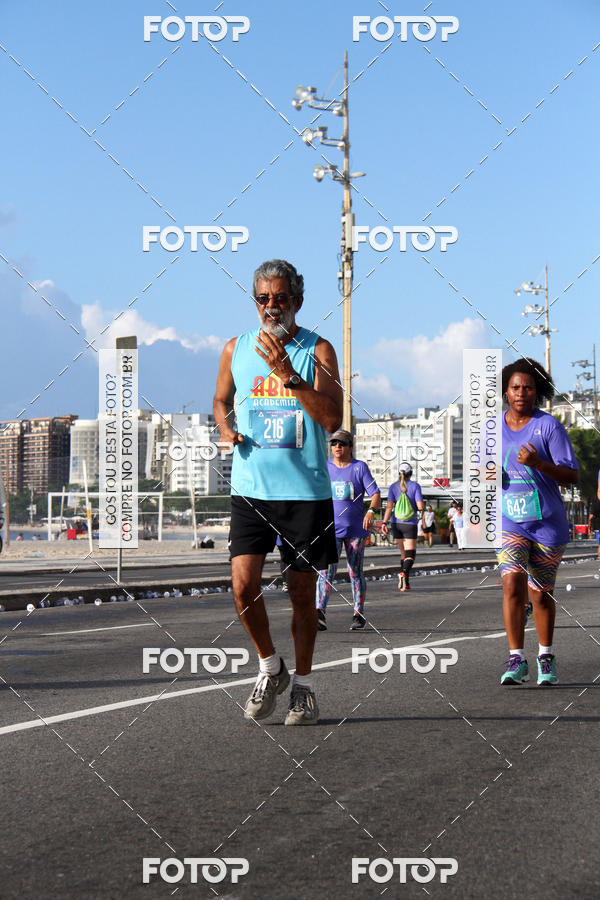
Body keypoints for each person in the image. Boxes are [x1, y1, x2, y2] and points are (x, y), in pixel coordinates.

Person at [213, 259, 342, 725]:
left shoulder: (319, 350)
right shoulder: (235, 349)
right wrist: (225, 428)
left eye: (280, 298)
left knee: (301, 596)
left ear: (297, 301)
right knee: (243, 587)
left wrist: (288, 373)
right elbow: (221, 400)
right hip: (251, 489)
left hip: (304, 493)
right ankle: (271, 666)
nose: (271, 307)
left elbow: (332, 420)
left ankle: (304, 688)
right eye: (263, 299)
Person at [497, 358, 578, 687]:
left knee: (540, 595)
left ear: (537, 391)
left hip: (547, 523)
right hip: (510, 522)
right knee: (511, 584)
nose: (521, 393)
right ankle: (516, 659)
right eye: (515, 387)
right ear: (506, 391)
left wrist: (538, 463)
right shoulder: (492, 429)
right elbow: (481, 469)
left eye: (528, 387)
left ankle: (546, 656)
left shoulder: (549, 427)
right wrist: (485, 475)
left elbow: (571, 476)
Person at [315, 430, 380, 631]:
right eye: (334, 443)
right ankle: (319, 612)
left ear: (350, 447)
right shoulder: (325, 467)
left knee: (355, 572)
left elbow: (375, 494)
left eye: (341, 443)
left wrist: (371, 512)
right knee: (326, 571)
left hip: (355, 531)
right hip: (330, 530)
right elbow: (315, 493)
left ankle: (358, 614)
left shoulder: (359, 468)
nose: (337, 447)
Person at [381, 463, 425, 591]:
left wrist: (384, 522)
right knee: (410, 554)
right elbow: (421, 507)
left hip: (396, 523)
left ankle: (405, 583)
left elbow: (389, 507)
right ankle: (404, 573)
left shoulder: (393, 487)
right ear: (410, 473)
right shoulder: (415, 486)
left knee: (403, 553)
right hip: (409, 523)